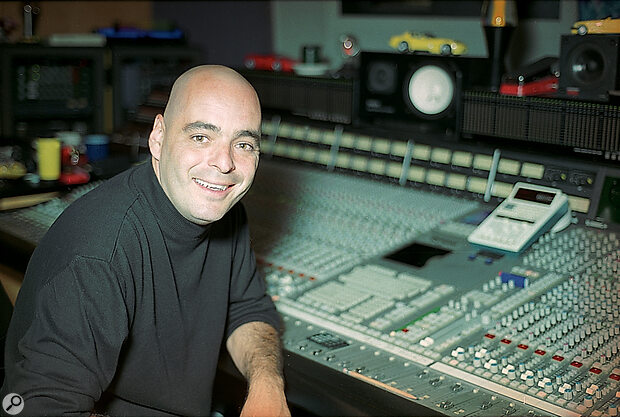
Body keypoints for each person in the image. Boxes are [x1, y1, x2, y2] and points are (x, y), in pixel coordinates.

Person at [0, 65, 290, 416]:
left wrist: (267, 385)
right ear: (158, 137)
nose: (225, 164)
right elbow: (38, 407)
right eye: (201, 137)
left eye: (243, 144)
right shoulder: (99, 253)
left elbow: (247, 309)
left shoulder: (227, 214)